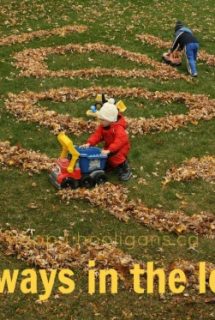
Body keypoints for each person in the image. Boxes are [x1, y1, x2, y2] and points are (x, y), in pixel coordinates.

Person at [82, 102, 132, 181]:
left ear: (110, 120)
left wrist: (110, 150)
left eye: (103, 120)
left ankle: (125, 169)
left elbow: (120, 141)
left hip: (121, 147)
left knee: (116, 157)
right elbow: (97, 135)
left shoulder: (118, 128)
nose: (100, 121)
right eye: (100, 119)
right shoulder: (103, 126)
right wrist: (89, 143)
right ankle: (110, 165)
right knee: (105, 156)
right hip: (110, 146)